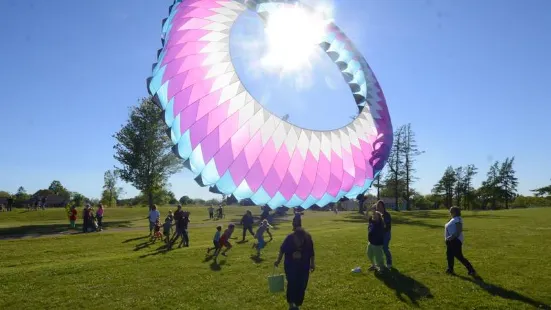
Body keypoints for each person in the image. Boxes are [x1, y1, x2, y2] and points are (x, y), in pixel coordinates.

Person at [274, 227, 315, 310]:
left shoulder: (308, 239)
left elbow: (311, 252)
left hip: (304, 266)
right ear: (294, 236)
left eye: (301, 240)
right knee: (292, 284)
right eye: (297, 240)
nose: (299, 242)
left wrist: (312, 263)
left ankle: (297, 303)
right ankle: (291, 304)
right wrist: (278, 260)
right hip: (290, 265)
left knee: (302, 285)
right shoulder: (289, 238)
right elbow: (282, 250)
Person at [445, 206, 477, 276]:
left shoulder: (457, 219)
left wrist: (451, 237)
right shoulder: (453, 219)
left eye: (451, 211)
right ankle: (450, 269)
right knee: (449, 255)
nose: (450, 212)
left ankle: (471, 270)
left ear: (455, 212)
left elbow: (459, 230)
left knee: (459, 256)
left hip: (455, 240)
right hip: (450, 240)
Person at [376, 200, 392, 268]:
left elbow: (388, 227)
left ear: (383, 206)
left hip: (386, 234)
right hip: (379, 234)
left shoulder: (387, 214)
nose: (379, 207)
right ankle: (380, 263)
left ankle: (389, 262)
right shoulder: (376, 215)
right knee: (378, 249)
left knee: (385, 248)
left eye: (381, 206)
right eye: (378, 206)